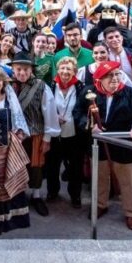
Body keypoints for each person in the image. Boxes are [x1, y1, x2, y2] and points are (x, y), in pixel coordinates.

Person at [74, 61, 132, 230]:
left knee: (128, 181)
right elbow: (78, 113)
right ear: (99, 79)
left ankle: (130, 213)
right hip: (98, 145)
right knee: (100, 177)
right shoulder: (89, 93)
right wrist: (88, 125)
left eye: (118, 74)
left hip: (124, 145)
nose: (115, 79)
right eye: (110, 76)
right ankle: (101, 204)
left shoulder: (131, 94)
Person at [0, 68, 31, 234]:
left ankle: (7, 219)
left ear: (3, 84)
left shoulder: (8, 97)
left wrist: (18, 136)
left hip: (5, 148)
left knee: (4, 181)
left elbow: (18, 119)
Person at [9, 52, 59, 217]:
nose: (22, 73)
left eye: (25, 69)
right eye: (18, 69)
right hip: (14, 136)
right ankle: (19, 195)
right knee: (16, 166)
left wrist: (47, 138)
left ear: (31, 69)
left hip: (36, 133)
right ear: (13, 69)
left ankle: (36, 196)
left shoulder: (41, 86)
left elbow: (50, 112)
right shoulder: (7, 86)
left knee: (36, 166)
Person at [46, 57, 86, 208]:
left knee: (76, 167)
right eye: (62, 68)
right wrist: (54, 116)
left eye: (69, 69)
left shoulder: (81, 87)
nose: (65, 71)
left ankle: (75, 195)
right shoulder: (50, 86)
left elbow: (83, 109)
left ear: (74, 71)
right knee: (52, 165)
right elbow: (44, 106)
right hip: (54, 134)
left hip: (75, 134)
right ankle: (52, 191)